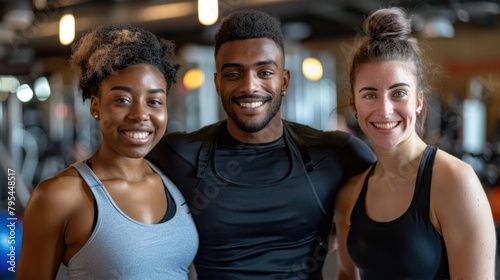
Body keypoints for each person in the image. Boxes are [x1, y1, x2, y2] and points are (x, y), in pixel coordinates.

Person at [146, 9, 376, 279]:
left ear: (284, 81)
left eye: (265, 72)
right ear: (218, 83)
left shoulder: (337, 154)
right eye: (233, 74)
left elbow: (395, 206)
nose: (249, 86)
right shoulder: (177, 154)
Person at [18, 24, 199, 279]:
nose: (140, 115)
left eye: (154, 101)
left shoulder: (174, 181)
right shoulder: (60, 196)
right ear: (95, 107)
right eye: (122, 100)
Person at [334, 7, 497, 280]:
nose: (385, 110)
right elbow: (345, 274)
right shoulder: (350, 194)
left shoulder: (455, 182)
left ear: (419, 101)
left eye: (398, 93)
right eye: (369, 95)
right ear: (353, 104)